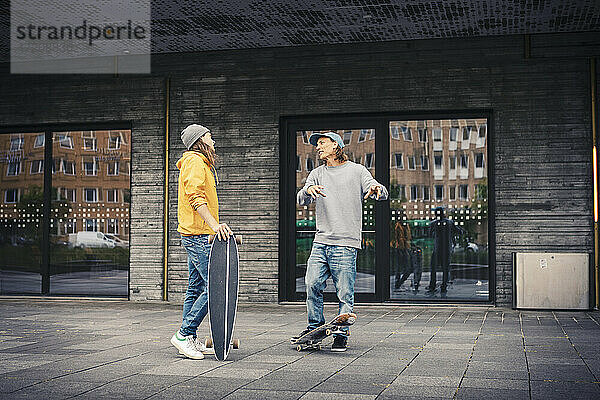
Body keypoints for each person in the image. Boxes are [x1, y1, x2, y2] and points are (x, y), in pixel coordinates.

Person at [294, 131, 388, 352]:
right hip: (321, 241)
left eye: (322, 144)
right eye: (317, 145)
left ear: (336, 145)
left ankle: (341, 334)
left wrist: (376, 189)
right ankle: (315, 328)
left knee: (344, 292)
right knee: (312, 284)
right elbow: (301, 198)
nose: (318, 148)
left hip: (345, 243)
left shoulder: (357, 171)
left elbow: (379, 191)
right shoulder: (317, 173)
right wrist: (308, 189)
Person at [170, 124, 233, 360]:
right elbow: (195, 197)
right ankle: (184, 334)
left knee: (195, 287)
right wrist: (214, 226)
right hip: (198, 235)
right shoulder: (194, 161)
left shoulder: (201, 163)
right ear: (199, 141)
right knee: (216, 287)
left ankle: (189, 338)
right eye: (209, 137)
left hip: (198, 234)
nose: (213, 141)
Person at [427, 206, 464, 296]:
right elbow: (460, 231)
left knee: (433, 268)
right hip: (446, 249)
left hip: (437, 249)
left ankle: (432, 286)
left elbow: (429, 234)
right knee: (445, 268)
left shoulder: (433, 223)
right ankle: (444, 286)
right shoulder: (450, 223)